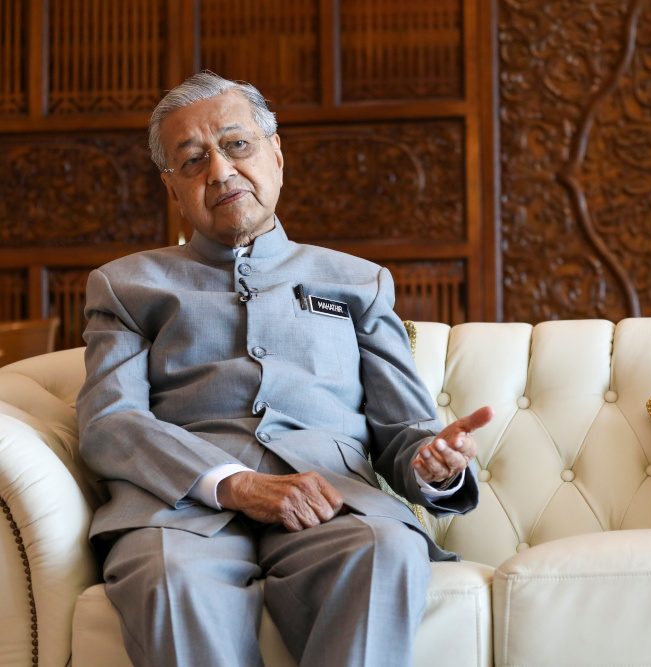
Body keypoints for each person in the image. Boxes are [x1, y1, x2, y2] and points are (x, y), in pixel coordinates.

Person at [76, 71, 492, 667]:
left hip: (332, 502)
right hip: (184, 513)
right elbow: (110, 422)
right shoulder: (125, 285)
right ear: (173, 188)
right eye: (192, 160)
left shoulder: (358, 282)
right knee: (167, 577)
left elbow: (405, 434)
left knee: (384, 549)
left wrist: (435, 466)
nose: (219, 171)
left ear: (276, 153)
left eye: (236, 145)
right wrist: (236, 484)